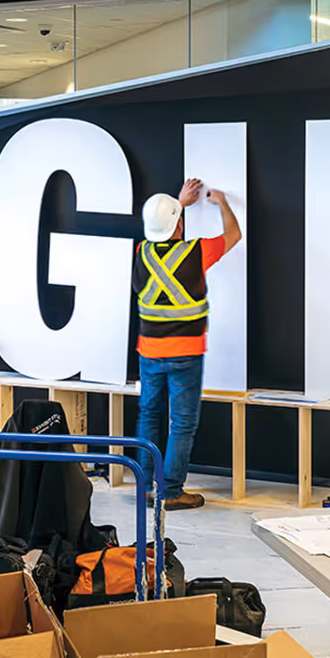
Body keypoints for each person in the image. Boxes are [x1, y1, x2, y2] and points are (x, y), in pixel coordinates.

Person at [134, 178, 241, 510]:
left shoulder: (142, 252)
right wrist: (222, 203)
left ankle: (147, 487)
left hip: (149, 351)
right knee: (181, 422)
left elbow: (164, 229)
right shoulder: (197, 251)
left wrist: (178, 206)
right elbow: (233, 235)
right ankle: (171, 492)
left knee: (149, 415)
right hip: (186, 353)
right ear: (179, 225)